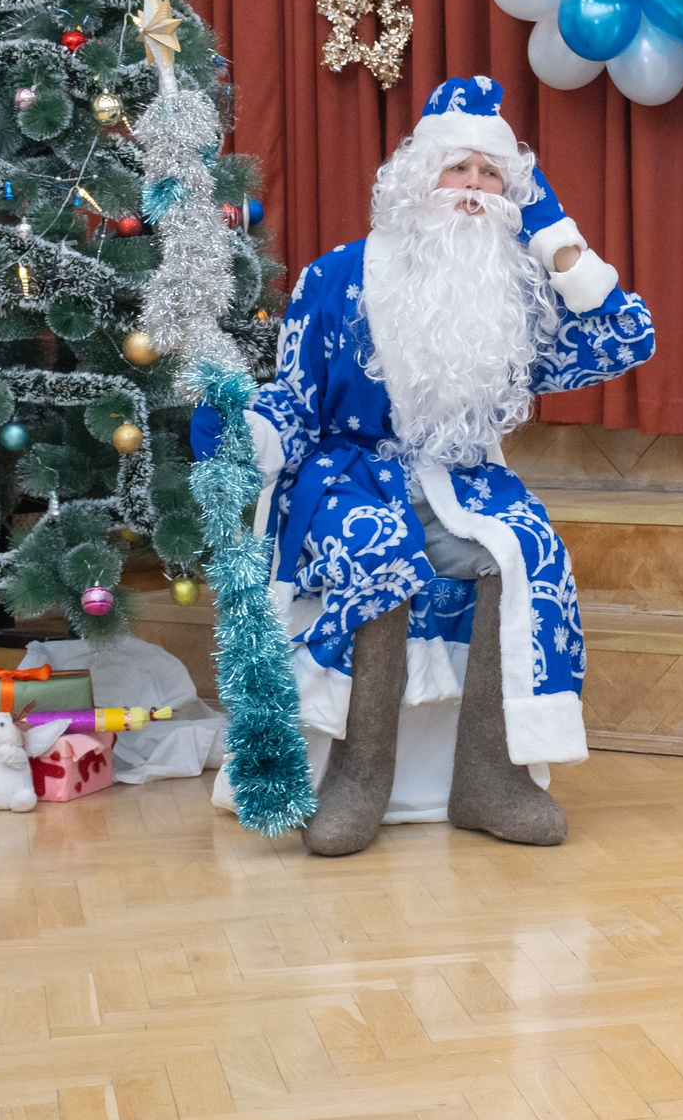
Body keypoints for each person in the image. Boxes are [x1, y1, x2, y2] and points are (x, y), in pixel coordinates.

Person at [208, 75, 656, 856]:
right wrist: (243, 432)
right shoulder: (337, 275)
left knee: (523, 549)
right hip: (346, 471)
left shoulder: (514, 291)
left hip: (463, 478)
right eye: (460, 170)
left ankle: (488, 775)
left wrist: (556, 238)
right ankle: (360, 773)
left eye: (493, 176)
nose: (475, 190)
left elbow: (625, 337)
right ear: (420, 179)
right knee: (376, 551)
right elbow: (295, 397)